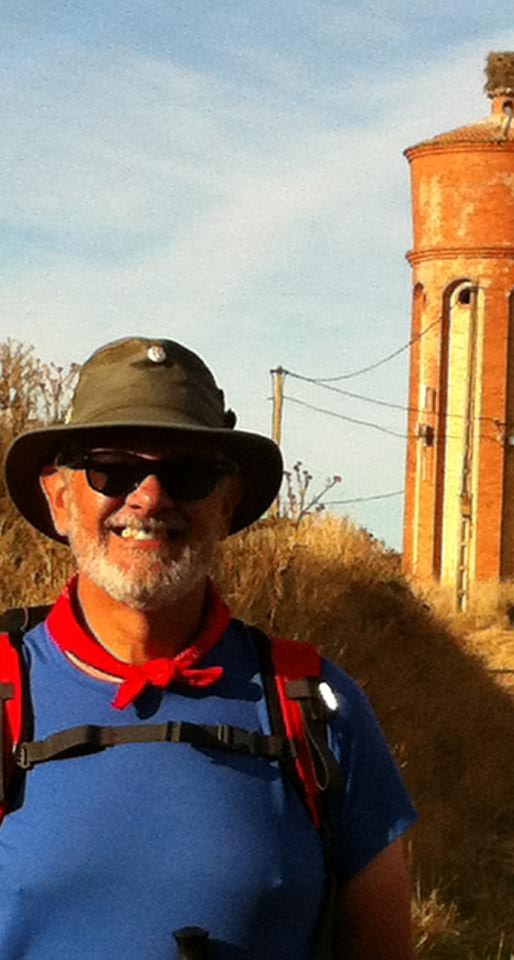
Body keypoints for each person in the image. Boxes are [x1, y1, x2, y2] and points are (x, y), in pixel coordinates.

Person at [0, 336, 417, 960]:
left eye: (188, 473)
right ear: (60, 497)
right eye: (111, 468)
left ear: (226, 505)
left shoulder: (317, 708)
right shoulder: (8, 686)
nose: (149, 497)